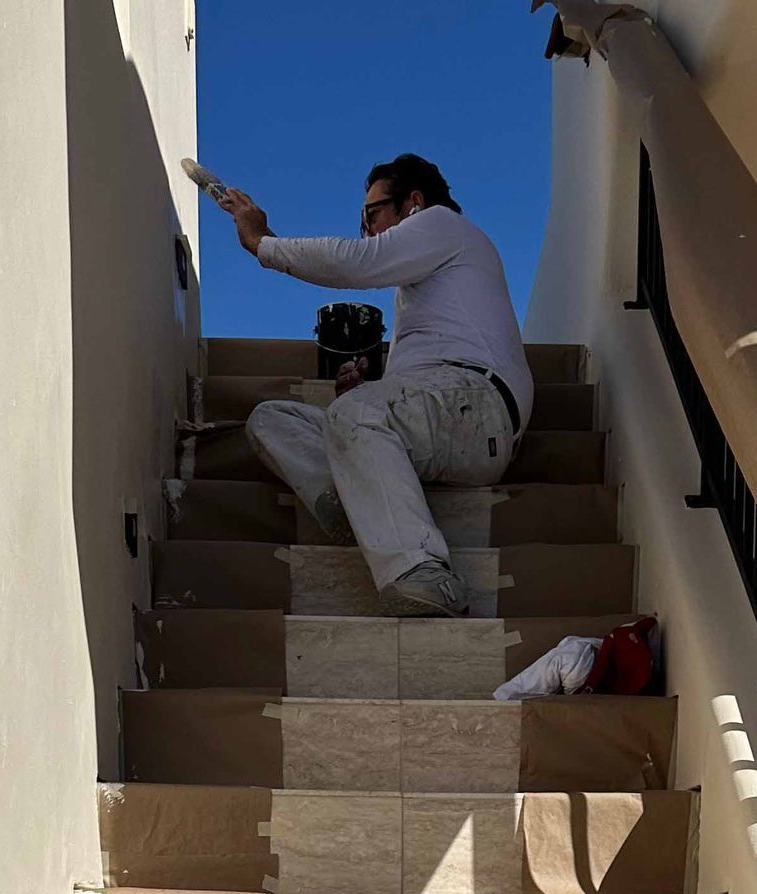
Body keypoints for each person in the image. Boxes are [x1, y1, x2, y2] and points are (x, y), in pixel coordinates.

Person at [214, 155, 533, 618]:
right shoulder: (428, 289)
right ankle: (359, 504)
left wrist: (264, 244)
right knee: (271, 419)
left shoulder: (442, 224)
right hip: (445, 409)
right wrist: (362, 399)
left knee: (357, 413)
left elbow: (361, 262)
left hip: (478, 404)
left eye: (372, 214)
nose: (368, 230)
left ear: (414, 202)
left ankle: (424, 572)